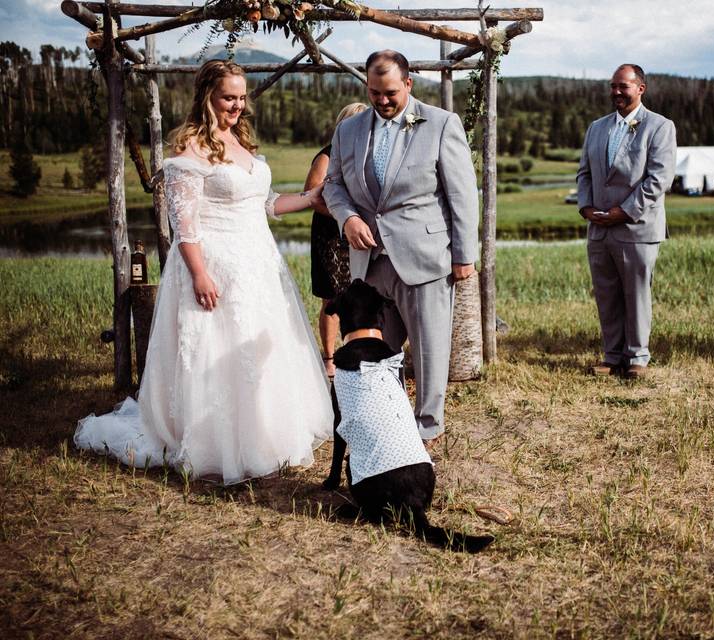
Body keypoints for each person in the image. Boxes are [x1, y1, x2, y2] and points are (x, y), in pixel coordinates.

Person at [75, 59, 335, 484]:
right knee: (215, 351)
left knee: (257, 348)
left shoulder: (239, 141)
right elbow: (184, 223)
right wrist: (198, 273)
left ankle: (265, 433)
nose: (237, 105)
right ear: (207, 97)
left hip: (256, 262)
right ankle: (217, 441)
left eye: (241, 97)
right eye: (228, 97)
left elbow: (265, 204)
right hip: (214, 261)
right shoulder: (189, 150)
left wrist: (310, 198)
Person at [323, 50, 479, 443]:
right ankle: (384, 420)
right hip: (371, 264)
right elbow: (334, 185)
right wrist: (349, 218)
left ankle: (427, 430)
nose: (382, 100)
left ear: (408, 84)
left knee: (429, 351)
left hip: (424, 258)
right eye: (374, 92)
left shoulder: (442, 124)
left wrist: (464, 256)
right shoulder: (349, 130)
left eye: (390, 92)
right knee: (376, 351)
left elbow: (462, 195)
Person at [576, 63, 677, 379]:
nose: (617, 92)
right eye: (613, 86)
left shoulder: (659, 127)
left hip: (637, 227)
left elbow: (659, 178)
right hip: (599, 228)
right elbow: (585, 174)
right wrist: (587, 208)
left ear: (640, 89)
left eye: (624, 86)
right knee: (606, 294)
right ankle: (612, 356)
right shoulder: (597, 127)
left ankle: (637, 358)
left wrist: (626, 210)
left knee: (636, 294)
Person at [304, 102, 369, 378]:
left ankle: (358, 350)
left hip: (358, 233)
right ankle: (329, 357)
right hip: (331, 235)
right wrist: (344, 216)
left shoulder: (364, 155)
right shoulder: (327, 156)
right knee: (332, 298)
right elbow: (311, 194)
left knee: (360, 295)